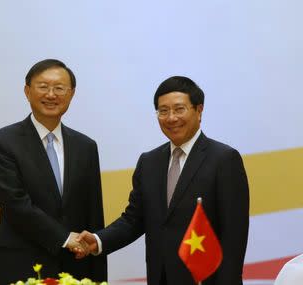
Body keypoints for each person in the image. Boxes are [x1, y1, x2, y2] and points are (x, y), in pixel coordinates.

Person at [76, 76, 249, 285]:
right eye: (163, 111)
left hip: (205, 279)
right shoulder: (149, 162)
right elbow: (134, 219)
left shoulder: (224, 159)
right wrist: (98, 240)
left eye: (179, 109)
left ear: (199, 110)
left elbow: (234, 235)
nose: (171, 118)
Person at [0, 59, 107, 285]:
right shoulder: (2, 142)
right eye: (43, 86)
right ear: (27, 91)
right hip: (22, 267)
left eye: (59, 88)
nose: (51, 94)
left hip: (76, 268)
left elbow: (93, 214)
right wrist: (64, 238)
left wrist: (98, 275)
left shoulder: (86, 146)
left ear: (71, 94)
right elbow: (15, 204)